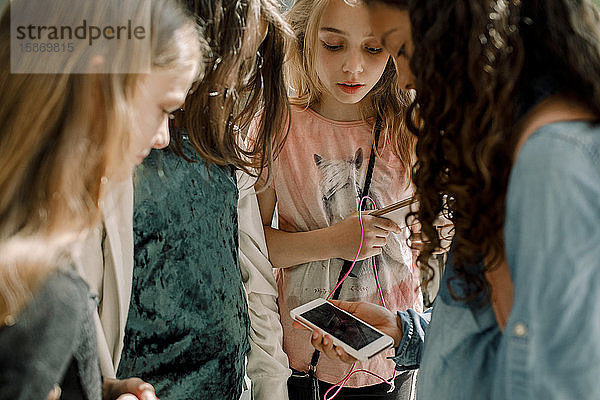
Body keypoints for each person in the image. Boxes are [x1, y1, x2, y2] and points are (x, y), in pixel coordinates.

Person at [308, 0, 600, 398]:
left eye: (404, 50)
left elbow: (550, 376)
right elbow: (497, 339)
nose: (403, 78)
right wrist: (404, 331)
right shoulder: (502, 151)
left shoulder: (550, 162)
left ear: (460, 33)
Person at [0, 0, 201, 398]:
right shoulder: (42, 297)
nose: (162, 137)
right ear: (98, 89)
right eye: (163, 108)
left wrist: (94, 388)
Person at [116, 0, 294, 399]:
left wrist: (271, 385)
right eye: (240, 60)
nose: (242, 81)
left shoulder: (225, 153)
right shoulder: (128, 153)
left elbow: (253, 284)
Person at [254, 0, 422, 398]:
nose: (353, 67)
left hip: (393, 356)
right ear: (305, 38)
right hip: (305, 358)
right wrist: (333, 241)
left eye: (373, 49)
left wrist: (440, 230)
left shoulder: (409, 126)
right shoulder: (277, 126)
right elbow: (252, 247)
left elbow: (428, 234)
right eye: (333, 45)